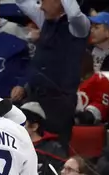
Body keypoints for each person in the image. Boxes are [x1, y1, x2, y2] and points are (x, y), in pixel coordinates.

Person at [16, 0, 90, 150]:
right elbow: (22, 2)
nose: (41, 6)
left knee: (55, 149)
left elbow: (74, 14)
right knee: (25, 145)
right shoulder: (45, 19)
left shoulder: (80, 26)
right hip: (35, 96)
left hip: (59, 102)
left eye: (44, 1)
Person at [20, 101, 67, 175]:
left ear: (34, 127)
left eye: (22, 123)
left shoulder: (53, 150)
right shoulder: (12, 144)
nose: (17, 126)